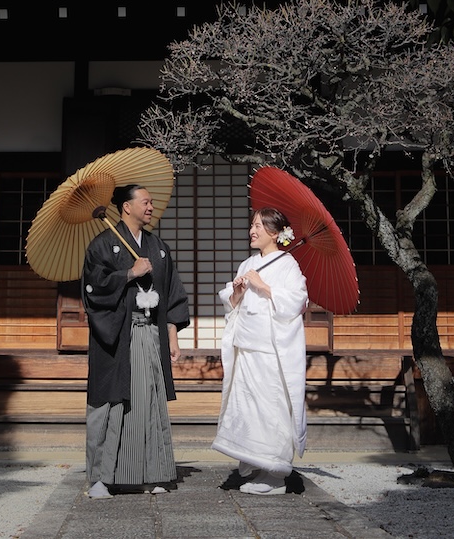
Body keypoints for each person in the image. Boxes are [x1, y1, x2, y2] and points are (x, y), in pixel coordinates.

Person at [81, 183, 190, 498]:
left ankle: (154, 473)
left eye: (151, 202)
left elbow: (172, 293)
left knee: (150, 402)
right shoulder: (102, 245)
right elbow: (93, 288)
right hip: (117, 337)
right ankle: (100, 479)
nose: (150, 207)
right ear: (126, 207)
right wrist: (129, 273)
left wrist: (171, 335)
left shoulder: (159, 247)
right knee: (111, 404)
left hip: (150, 336)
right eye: (145, 201)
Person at [212, 206, 308, 495]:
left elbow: (298, 301)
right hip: (246, 347)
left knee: (271, 409)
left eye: (258, 226)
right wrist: (238, 291)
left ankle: (275, 474)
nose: (252, 231)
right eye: (252, 225)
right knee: (247, 408)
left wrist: (264, 286)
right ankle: (256, 465)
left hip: (270, 351)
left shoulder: (288, 264)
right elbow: (233, 301)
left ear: (275, 233)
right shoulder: (248, 264)